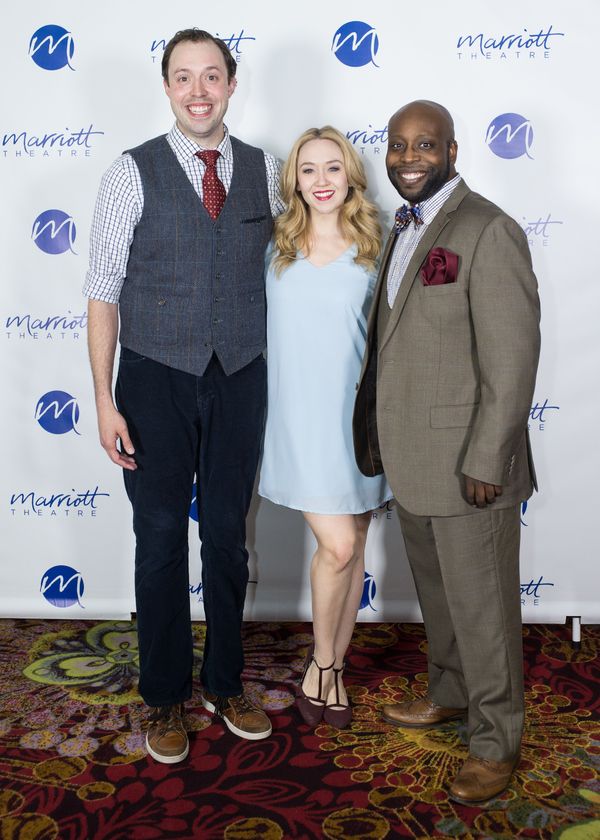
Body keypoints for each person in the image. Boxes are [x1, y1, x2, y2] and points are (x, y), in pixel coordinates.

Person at [84, 28, 283, 764]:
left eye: (211, 76)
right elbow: (102, 292)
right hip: (153, 378)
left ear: (231, 83)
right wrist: (104, 401)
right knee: (161, 537)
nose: (198, 91)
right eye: (183, 77)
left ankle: (225, 683)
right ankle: (164, 695)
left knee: (227, 536)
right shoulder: (128, 172)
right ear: (167, 87)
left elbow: (299, 264)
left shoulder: (267, 169)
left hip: (241, 376)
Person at [353, 101, 540, 802]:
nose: (409, 158)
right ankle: (452, 693)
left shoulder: (488, 229)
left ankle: (495, 742)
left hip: (470, 468)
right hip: (414, 459)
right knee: (441, 598)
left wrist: (489, 459)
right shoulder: (403, 227)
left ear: (452, 151)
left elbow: (512, 360)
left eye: (425, 145)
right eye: (399, 145)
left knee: (484, 611)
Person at [259, 127, 392, 729]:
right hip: (295, 419)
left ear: (350, 177)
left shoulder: (374, 248)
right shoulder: (274, 247)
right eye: (308, 169)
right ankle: (321, 663)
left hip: (357, 421)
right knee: (337, 545)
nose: (320, 181)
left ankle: (333, 667)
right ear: (294, 180)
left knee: (353, 544)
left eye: (332, 168)